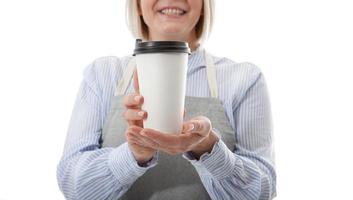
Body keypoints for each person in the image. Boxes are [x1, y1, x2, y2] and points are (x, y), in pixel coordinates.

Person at [56, 0, 277, 199]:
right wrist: (134, 154)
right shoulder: (103, 75)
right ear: (137, 5)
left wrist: (208, 149)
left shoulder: (243, 79)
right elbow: (74, 187)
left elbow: (261, 192)